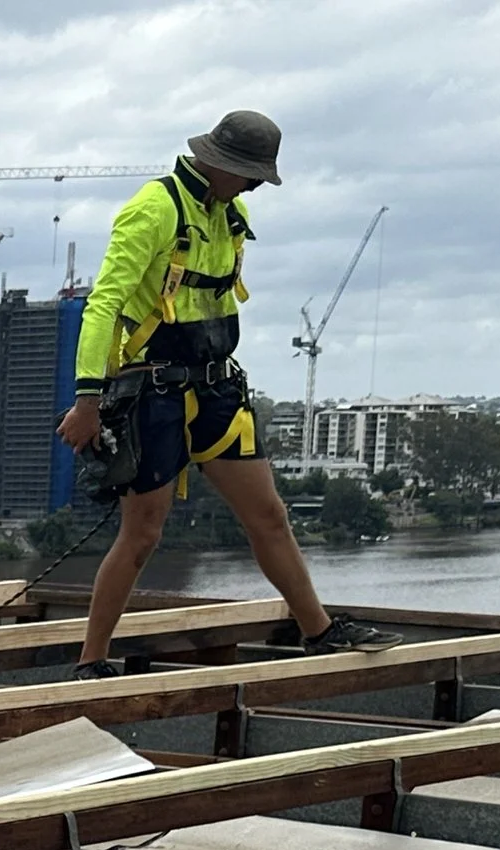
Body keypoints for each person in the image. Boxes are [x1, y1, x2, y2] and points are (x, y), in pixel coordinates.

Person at [56, 110, 400, 678]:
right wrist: (88, 401)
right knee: (142, 534)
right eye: (251, 174)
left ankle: (318, 631)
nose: (257, 186)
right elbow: (103, 306)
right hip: (154, 394)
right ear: (218, 163)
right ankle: (91, 660)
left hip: (216, 389)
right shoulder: (153, 210)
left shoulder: (231, 210)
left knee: (270, 515)